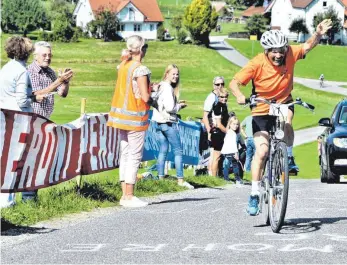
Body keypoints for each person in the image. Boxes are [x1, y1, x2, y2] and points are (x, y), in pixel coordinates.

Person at [229, 19, 333, 216]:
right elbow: (234, 82)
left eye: (280, 50)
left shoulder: (290, 54)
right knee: (262, 151)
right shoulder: (256, 63)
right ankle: (254, 194)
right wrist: (240, 96)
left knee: (287, 120)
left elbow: (307, 46)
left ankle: (289, 156)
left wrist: (318, 34)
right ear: (266, 51)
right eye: (273, 51)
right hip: (261, 108)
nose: (278, 54)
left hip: (283, 101)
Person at [22, 41, 74, 202]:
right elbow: (37, 93)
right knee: (28, 161)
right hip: (30, 122)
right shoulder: (30, 71)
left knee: (38, 162)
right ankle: (27, 199)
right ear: (35, 56)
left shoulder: (50, 72)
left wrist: (65, 82)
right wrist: (58, 81)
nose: (48, 57)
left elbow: (62, 94)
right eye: (44, 55)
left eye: (50, 55)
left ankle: (32, 198)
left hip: (44, 122)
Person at [0, 36, 46, 207]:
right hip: (18, 119)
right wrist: (34, 99)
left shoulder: (6, 68)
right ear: (25, 52)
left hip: (4, 116)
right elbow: (21, 100)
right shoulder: (22, 71)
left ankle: (4, 200)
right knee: (16, 161)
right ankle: (9, 201)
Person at [107, 35, 152, 208]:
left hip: (120, 117)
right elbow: (145, 97)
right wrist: (153, 96)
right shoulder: (140, 69)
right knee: (135, 156)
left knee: (125, 154)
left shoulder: (123, 65)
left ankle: (124, 194)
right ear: (141, 49)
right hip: (136, 117)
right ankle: (129, 195)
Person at [151, 64, 194, 189]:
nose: (175, 76)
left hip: (157, 121)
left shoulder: (160, 86)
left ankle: (160, 177)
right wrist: (180, 106)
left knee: (163, 150)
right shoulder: (168, 87)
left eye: (177, 74)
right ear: (167, 74)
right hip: (168, 122)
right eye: (173, 74)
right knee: (178, 151)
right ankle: (180, 180)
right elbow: (170, 108)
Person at [202, 76, 225, 175]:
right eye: (217, 84)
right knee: (215, 154)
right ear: (213, 85)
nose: (220, 86)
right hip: (214, 129)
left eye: (222, 84)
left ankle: (212, 175)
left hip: (218, 128)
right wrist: (209, 131)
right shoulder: (211, 97)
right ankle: (212, 175)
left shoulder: (221, 96)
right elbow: (205, 116)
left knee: (213, 154)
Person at [208, 89, 229, 176]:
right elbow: (219, 124)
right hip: (218, 133)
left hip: (217, 133)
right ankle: (214, 176)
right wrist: (229, 132)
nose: (224, 99)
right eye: (221, 97)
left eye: (226, 97)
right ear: (217, 97)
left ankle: (212, 175)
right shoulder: (218, 107)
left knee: (214, 156)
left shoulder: (223, 106)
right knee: (217, 156)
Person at [221, 116, 243, 186]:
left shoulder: (228, 132)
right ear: (230, 124)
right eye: (234, 124)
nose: (236, 126)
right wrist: (236, 153)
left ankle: (226, 179)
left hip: (226, 152)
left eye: (237, 124)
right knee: (235, 166)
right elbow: (233, 144)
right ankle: (237, 179)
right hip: (232, 152)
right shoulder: (233, 134)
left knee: (226, 166)